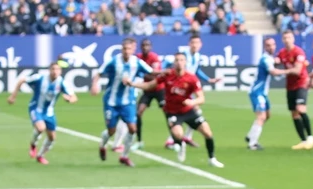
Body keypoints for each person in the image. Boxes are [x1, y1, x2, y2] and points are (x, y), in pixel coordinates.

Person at [132, 52, 223, 168]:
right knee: (178, 134)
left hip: (188, 111)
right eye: (177, 60)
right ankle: (181, 144)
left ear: (185, 62)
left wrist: (192, 102)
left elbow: (201, 98)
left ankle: (212, 159)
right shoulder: (167, 75)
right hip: (173, 112)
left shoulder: (191, 78)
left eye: (181, 60)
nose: (179, 62)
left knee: (207, 132)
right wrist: (132, 84)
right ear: (174, 63)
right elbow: (150, 85)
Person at [91, 38, 152, 167]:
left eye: (129, 49)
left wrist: (167, 72)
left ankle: (124, 156)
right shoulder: (114, 61)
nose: (126, 51)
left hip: (127, 102)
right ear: (121, 49)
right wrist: (95, 85)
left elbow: (151, 72)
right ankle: (102, 144)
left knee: (132, 128)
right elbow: (99, 73)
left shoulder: (137, 62)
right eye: (124, 49)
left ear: (133, 50)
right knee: (111, 131)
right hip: (111, 102)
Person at [8, 61, 77, 165]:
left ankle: (40, 156)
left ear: (60, 71)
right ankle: (33, 144)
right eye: (53, 69)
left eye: (57, 69)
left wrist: (69, 100)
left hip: (49, 112)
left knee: (52, 138)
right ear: (49, 70)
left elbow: (74, 97)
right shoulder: (40, 78)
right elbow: (22, 80)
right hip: (36, 108)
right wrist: (13, 96)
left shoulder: (62, 83)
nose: (55, 71)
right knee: (41, 128)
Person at [163, 34, 219, 150]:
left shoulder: (198, 56)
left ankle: (184, 138)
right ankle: (173, 139)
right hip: (179, 87)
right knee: (186, 112)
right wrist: (164, 72)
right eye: (193, 43)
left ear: (201, 44)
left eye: (197, 43)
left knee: (194, 111)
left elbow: (197, 70)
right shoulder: (183, 54)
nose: (195, 45)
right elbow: (168, 64)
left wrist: (208, 79)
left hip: (189, 87)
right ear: (189, 44)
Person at [276, 30, 313, 150]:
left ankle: (310, 137)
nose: (287, 40)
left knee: (300, 108)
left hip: (301, 83)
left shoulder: (298, 52)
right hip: (290, 85)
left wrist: (281, 71)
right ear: (282, 40)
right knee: (294, 113)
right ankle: (303, 140)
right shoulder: (282, 53)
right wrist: (273, 62)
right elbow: (276, 62)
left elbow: (297, 70)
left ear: (293, 39)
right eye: (285, 38)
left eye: (289, 37)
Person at [246, 37, 285, 151]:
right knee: (261, 116)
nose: (271, 47)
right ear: (264, 47)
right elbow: (273, 72)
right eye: (268, 45)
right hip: (257, 92)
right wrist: (289, 71)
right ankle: (252, 144)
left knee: (267, 115)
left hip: (263, 92)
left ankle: (250, 135)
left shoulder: (270, 58)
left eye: (273, 44)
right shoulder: (265, 59)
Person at [135, 38, 163, 150]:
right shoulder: (138, 57)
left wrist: (142, 73)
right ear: (140, 47)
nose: (145, 47)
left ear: (150, 47)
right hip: (147, 90)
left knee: (169, 113)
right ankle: (139, 141)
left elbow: (154, 76)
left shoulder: (154, 58)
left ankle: (173, 140)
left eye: (147, 45)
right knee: (138, 113)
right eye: (143, 45)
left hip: (159, 89)